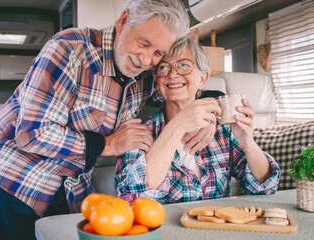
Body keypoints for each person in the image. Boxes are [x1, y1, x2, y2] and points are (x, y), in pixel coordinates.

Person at [0, 1, 220, 239]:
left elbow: (179, 90)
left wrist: (211, 111)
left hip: (74, 187)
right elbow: (32, 134)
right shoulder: (68, 49)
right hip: (17, 178)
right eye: (143, 43)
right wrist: (110, 144)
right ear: (124, 20)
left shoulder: (146, 74)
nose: (146, 61)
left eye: (158, 53)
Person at [115, 36, 280, 204]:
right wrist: (177, 126)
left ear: (203, 78)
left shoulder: (221, 129)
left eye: (184, 65)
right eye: (163, 67)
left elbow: (265, 186)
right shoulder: (140, 134)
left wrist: (248, 143)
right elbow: (132, 198)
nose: (172, 74)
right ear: (157, 81)